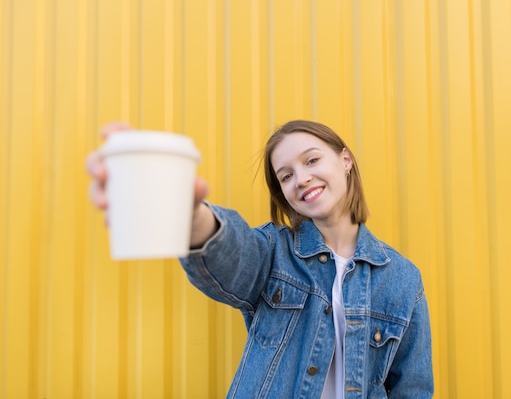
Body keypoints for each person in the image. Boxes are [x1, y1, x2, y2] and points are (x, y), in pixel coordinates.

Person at [87, 120, 434, 398]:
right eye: (286, 175)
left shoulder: (402, 279)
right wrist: (185, 209)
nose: (301, 179)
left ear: (346, 160)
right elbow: (231, 253)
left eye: (311, 160)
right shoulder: (273, 252)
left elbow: (412, 389)